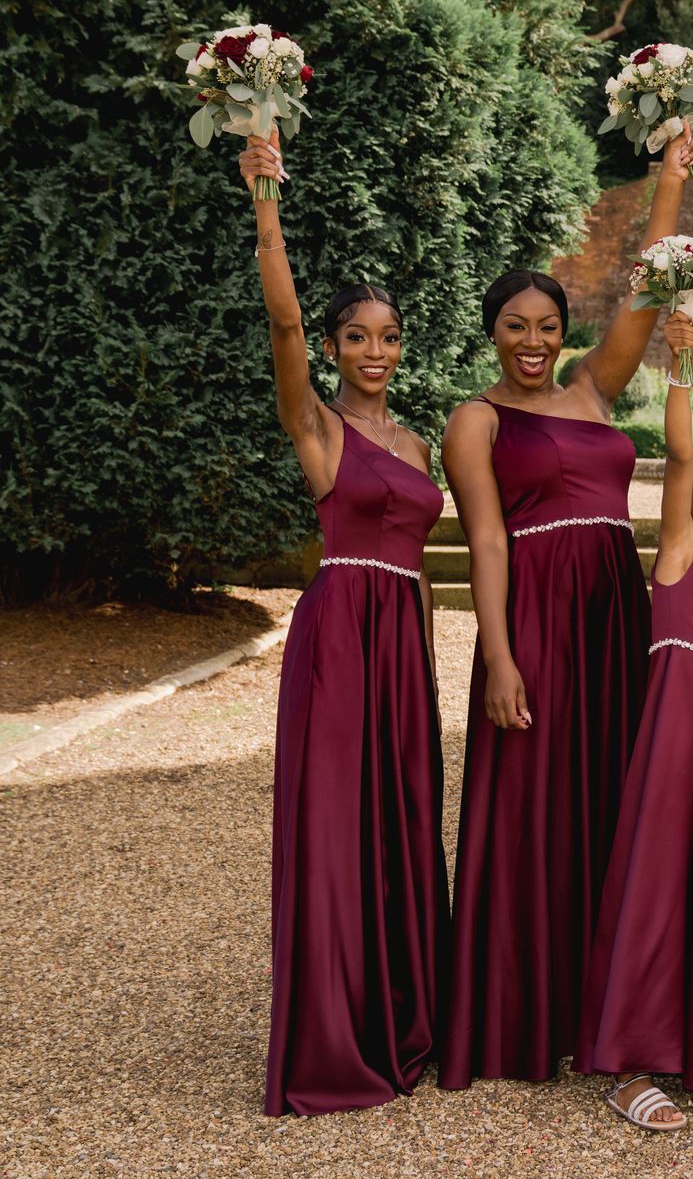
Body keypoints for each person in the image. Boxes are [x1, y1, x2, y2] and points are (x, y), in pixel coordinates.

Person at [438, 130, 693, 1088]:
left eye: (546, 324)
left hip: (613, 613)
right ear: (492, 332)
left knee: (612, 805)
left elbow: (645, 288)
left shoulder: (595, 388)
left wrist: (669, 185)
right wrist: (500, 656)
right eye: (515, 326)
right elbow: (486, 543)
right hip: (540, 626)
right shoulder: (476, 421)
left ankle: (609, 1009)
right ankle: (522, 1017)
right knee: (532, 817)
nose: (533, 342)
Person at [242, 132, 450, 1116]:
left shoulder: (414, 438)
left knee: (404, 821)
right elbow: (281, 323)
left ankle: (404, 1014)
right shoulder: (316, 422)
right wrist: (266, 203)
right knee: (336, 826)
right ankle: (333, 1034)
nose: (376, 351)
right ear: (333, 348)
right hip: (339, 634)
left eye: (389, 336)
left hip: (404, 639)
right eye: (358, 336)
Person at [576, 311, 693, 1129]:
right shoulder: (680, 556)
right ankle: (626, 1061)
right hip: (670, 750)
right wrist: (683, 361)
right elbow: (682, 456)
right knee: (656, 888)